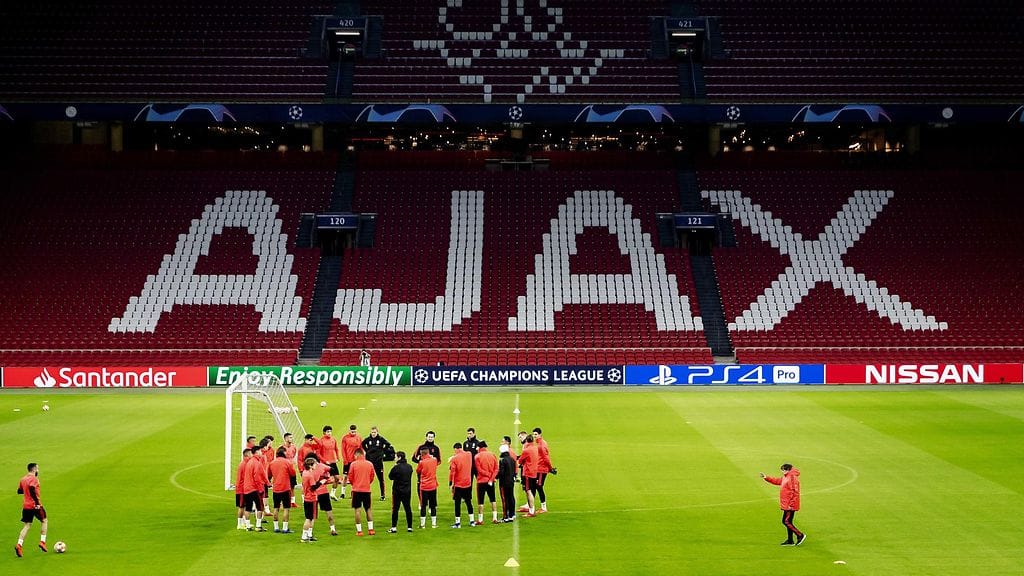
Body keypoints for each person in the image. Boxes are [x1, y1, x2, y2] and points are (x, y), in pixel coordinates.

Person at [761, 463, 806, 546]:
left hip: (790, 505)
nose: (782, 472)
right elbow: (778, 481)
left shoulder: (792, 478)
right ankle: (790, 540)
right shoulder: (787, 476)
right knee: (789, 522)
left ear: (787, 470)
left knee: (786, 521)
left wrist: (791, 505)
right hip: (787, 504)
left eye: (783, 470)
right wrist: (766, 478)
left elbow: (794, 492)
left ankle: (800, 535)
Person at [15, 463, 47, 557]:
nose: (38, 470)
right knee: (44, 520)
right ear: (34, 469)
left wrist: (26, 491)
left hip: (26, 506)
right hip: (35, 505)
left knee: (27, 525)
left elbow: (19, 491)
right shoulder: (34, 479)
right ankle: (42, 542)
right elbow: (32, 488)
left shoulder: (23, 479)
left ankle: (19, 545)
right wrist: (37, 503)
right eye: (37, 468)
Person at [347, 449, 376, 536]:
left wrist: (354, 484)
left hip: (356, 490)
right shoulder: (370, 464)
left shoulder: (353, 464)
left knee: (357, 510)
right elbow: (372, 476)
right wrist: (367, 483)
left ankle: (359, 531)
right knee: (368, 509)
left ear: (356, 455)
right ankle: (371, 529)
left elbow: (350, 477)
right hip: (366, 490)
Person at [300, 457, 330, 542]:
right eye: (314, 464)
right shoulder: (310, 475)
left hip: (307, 497)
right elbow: (313, 487)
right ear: (310, 465)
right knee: (309, 518)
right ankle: (304, 536)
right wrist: (322, 482)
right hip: (311, 498)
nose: (316, 465)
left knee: (311, 517)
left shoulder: (304, 473)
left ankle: (309, 535)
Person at [361, 426, 395, 501]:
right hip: (369, 462)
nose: (373, 434)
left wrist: (382, 451)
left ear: (377, 432)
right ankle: (365, 493)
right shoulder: (368, 439)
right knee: (366, 478)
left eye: (374, 432)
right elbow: (362, 444)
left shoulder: (381, 439)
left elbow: (388, 444)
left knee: (381, 479)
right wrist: (367, 451)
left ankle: (382, 495)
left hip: (378, 462)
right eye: (372, 432)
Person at [268, 447, 297, 533]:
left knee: (276, 508)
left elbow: (269, 475)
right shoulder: (287, 462)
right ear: (284, 453)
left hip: (276, 488)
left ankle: (276, 527)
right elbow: (293, 473)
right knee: (286, 508)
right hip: (285, 488)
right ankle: (285, 528)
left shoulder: (272, 463)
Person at [309, 454, 338, 536]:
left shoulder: (308, 470)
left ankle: (310, 533)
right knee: (328, 511)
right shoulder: (322, 466)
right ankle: (333, 529)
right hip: (323, 492)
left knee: (312, 514)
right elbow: (332, 469)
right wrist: (328, 477)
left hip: (314, 493)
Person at [243, 444, 270, 531]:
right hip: (254, 488)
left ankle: (248, 526)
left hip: (246, 489)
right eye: (260, 451)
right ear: (257, 452)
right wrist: (261, 489)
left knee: (248, 508)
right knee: (259, 507)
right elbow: (257, 478)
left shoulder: (249, 462)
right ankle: (258, 526)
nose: (261, 453)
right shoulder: (257, 463)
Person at [473, 441, 500, 525]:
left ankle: (480, 520)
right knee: (493, 499)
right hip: (491, 481)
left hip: (481, 481)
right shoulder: (492, 455)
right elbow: (496, 469)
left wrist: (488, 476)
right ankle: (495, 518)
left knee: (480, 501)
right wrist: (491, 478)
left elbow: (479, 470)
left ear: (480, 447)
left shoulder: (477, 456)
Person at [387, 451, 414, 533]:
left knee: (395, 509)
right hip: (407, 490)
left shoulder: (396, 467)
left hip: (397, 491)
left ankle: (394, 527)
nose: (394, 458)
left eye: (396, 457)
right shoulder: (409, 467)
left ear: (399, 457)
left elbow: (390, 477)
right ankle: (410, 527)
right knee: (408, 508)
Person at [448, 442, 473, 528]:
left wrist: (450, 483)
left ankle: (458, 523)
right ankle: (472, 521)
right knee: (468, 502)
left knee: (457, 503)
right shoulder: (469, 454)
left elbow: (452, 472)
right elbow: (466, 454)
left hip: (458, 484)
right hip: (468, 483)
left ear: (455, 449)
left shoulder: (455, 459)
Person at [316, 426, 342, 500]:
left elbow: (336, 449)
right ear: (324, 433)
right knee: (323, 480)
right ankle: (319, 494)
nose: (329, 433)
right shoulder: (321, 441)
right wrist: (325, 461)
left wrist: (337, 458)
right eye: (328, 432)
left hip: (333, 462)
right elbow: (318, 454)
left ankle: (332, 494)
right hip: (324, 464)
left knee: (337, 478)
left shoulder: (333, 439)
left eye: (330, 431)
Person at [415, 448, 439, 529]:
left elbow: (418, 471)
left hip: (424, 486)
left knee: (423, 505)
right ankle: (434, 524)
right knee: (433, 505)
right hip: (433, 485)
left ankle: (422, 525)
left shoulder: (421, 462)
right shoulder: (434, 460)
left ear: (422, 454)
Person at [517, 433, 538, 517]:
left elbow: (520, 461)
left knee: (528, 491)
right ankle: (530, 508)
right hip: (534, 472)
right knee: (530, 491)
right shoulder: (535, 448)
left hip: (527, 473)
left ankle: (531, 511)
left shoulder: (526, 450)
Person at [532, 427, 553, 513]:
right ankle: (531, 505)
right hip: (538, 468)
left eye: (536, 434)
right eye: (533, 434)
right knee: (535, 486)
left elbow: (546, 458)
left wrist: (550, 468)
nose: (534, 436)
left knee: (539, 487)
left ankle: (544, 507)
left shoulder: (541, 445)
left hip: (541, 469)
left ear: (540, 434)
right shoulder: (539, 443)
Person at [340, 424, 363, 500]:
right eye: (352, 431)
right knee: (345, 477)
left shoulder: (359, 438)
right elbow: (343, 450)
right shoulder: (345, 438)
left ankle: (353, 493)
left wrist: (361, 458)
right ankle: (342, 493)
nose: (353, 433)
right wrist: (345, 459)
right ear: (349, 431)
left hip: (356, 461)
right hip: (348, 461)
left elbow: (361, 449)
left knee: (355, 478)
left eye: (354, 432)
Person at [497, 445, 518, 522]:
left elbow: (501, 472)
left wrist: (496, 477)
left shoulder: (502, 460)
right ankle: (512, 514)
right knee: (511, 497)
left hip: (504, 483)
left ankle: (505, 517)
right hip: (511, 482)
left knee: (505, 499)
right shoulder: (512, 459)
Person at [235, 449, 251, 529]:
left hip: (243, 488)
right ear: (247, 455)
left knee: (244, 506)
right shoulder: (244, 464)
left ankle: (243, 523)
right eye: (251, 453)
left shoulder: (245, 463)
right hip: (241, 489)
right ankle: (239, 524)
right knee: (241, 507)